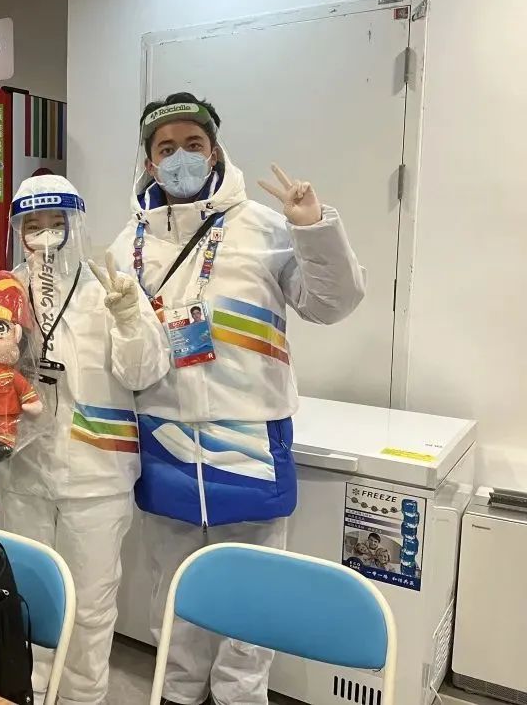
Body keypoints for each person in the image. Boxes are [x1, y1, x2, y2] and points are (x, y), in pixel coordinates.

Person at [107, 93, 365, 705]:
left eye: (193, 144)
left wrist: (313, 226)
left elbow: (332, 304)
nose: (181, 158)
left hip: (251, 439)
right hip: (164, 440)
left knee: (252, 595)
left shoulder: (263, 226)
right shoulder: (126, 245)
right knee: (174, 592)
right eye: (166, 148)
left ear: (215, 150)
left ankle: (241, 697)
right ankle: (177, 694)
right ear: (149, 162)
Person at [0, 174, 170, 704]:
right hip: (22, 473)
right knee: (28, 599)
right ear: (18, 231)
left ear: (76, 225)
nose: (46, 235)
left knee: (90, 608)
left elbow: (145, 373)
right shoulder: (1, 292)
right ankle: (30, 692)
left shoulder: (110, 287)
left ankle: (81, 699)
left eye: (57, 223)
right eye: (33, 224)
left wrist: (130, 317)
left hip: (98, 475)